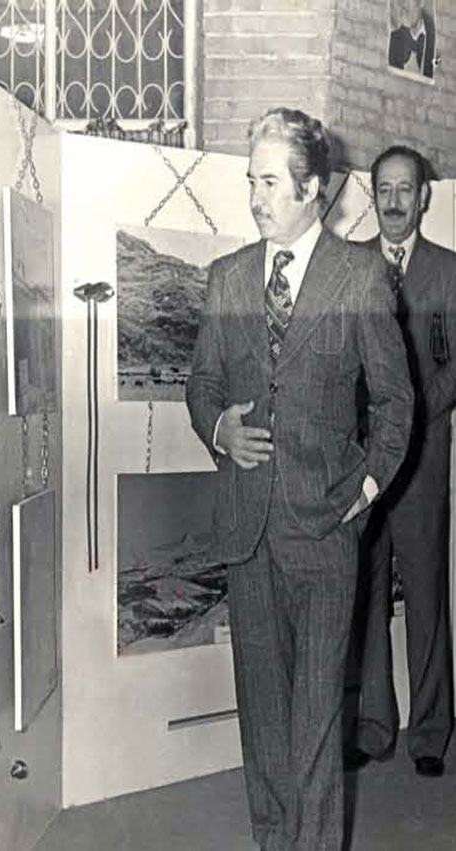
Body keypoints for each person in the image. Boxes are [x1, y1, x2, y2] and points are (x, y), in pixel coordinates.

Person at [186, 108, 413, 851]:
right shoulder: (227, 277)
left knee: (316, 721)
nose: (254, 197)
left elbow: (396, 401)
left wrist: (368, 488)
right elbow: (202, 384)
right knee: (264, 718)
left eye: (269, 182)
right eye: (250, 180)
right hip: (248, 533)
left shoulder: (360, 275)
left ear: (311, 187)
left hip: (325, 533)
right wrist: (217, 428)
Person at [348, 145, 455, 778]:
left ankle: (431, 733)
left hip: (424, 459)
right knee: (364, 590)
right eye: (384, 190)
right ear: (373, 195)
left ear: (423, 198)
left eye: (404, 190)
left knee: (425, 592)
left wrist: (410, 416)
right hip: (362, 459)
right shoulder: (349, 266)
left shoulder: (448, 272)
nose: (393, 201)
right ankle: (373, 727)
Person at [389, 0, 436, 79]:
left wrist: (434, 66)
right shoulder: (394, 40)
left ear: (421, 3)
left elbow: (441, 62)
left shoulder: (436, 35)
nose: (403, 5)